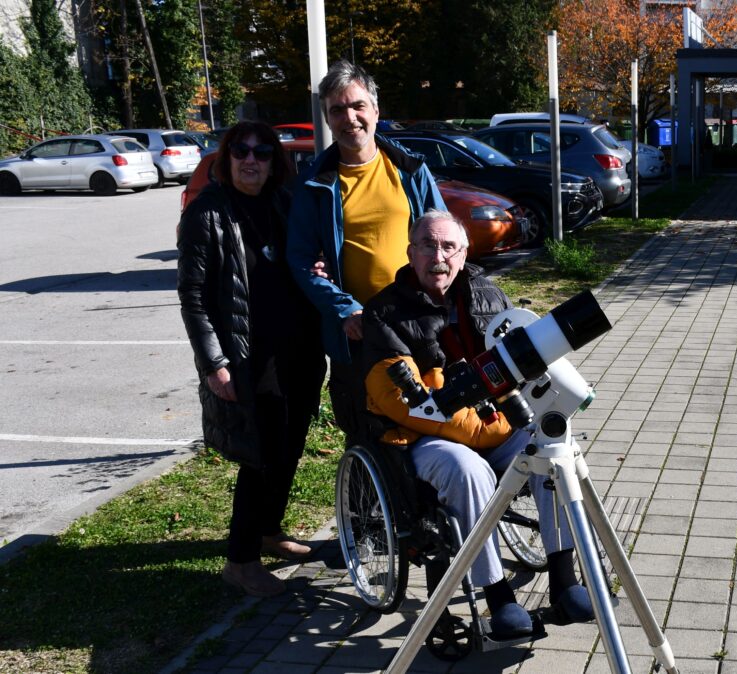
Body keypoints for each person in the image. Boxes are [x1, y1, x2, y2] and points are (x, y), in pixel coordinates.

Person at [361, 210, 595, 638]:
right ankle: (498, 595)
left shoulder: (488, 295)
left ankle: (565, 579)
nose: (439, 256)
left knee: (554, 448)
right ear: (410, 253)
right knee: (468, 470)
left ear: (465, 252)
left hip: (497, 420)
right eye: (428, 245)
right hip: (424, 433)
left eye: (449, 246)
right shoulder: (383, 313)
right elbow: (401, 399)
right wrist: (489, 427)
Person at [178, 121, 326, 597]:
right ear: (226, 157)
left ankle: (268, 530)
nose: (251, 160)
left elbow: (301, 263)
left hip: (299, 352)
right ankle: (240, 561)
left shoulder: (284, 204)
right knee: (261, 457)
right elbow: (194, 297)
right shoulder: (208, 213)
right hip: (248, 358)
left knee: (291, 447)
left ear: (273, 162)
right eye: (241, 150)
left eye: (262, 152)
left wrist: (315, 266)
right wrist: (214, 362)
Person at [287, 59, 445, 436]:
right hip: (356, 334)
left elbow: (443, 237)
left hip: (418, 322)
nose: (349, 117)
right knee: (369, 432)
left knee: (434, 423)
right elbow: (301, 258)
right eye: (337, 110)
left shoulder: (409, 169)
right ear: (327, 119)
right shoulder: (314, 184)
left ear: (375, 110)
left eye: (357, 106)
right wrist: (344, 310)